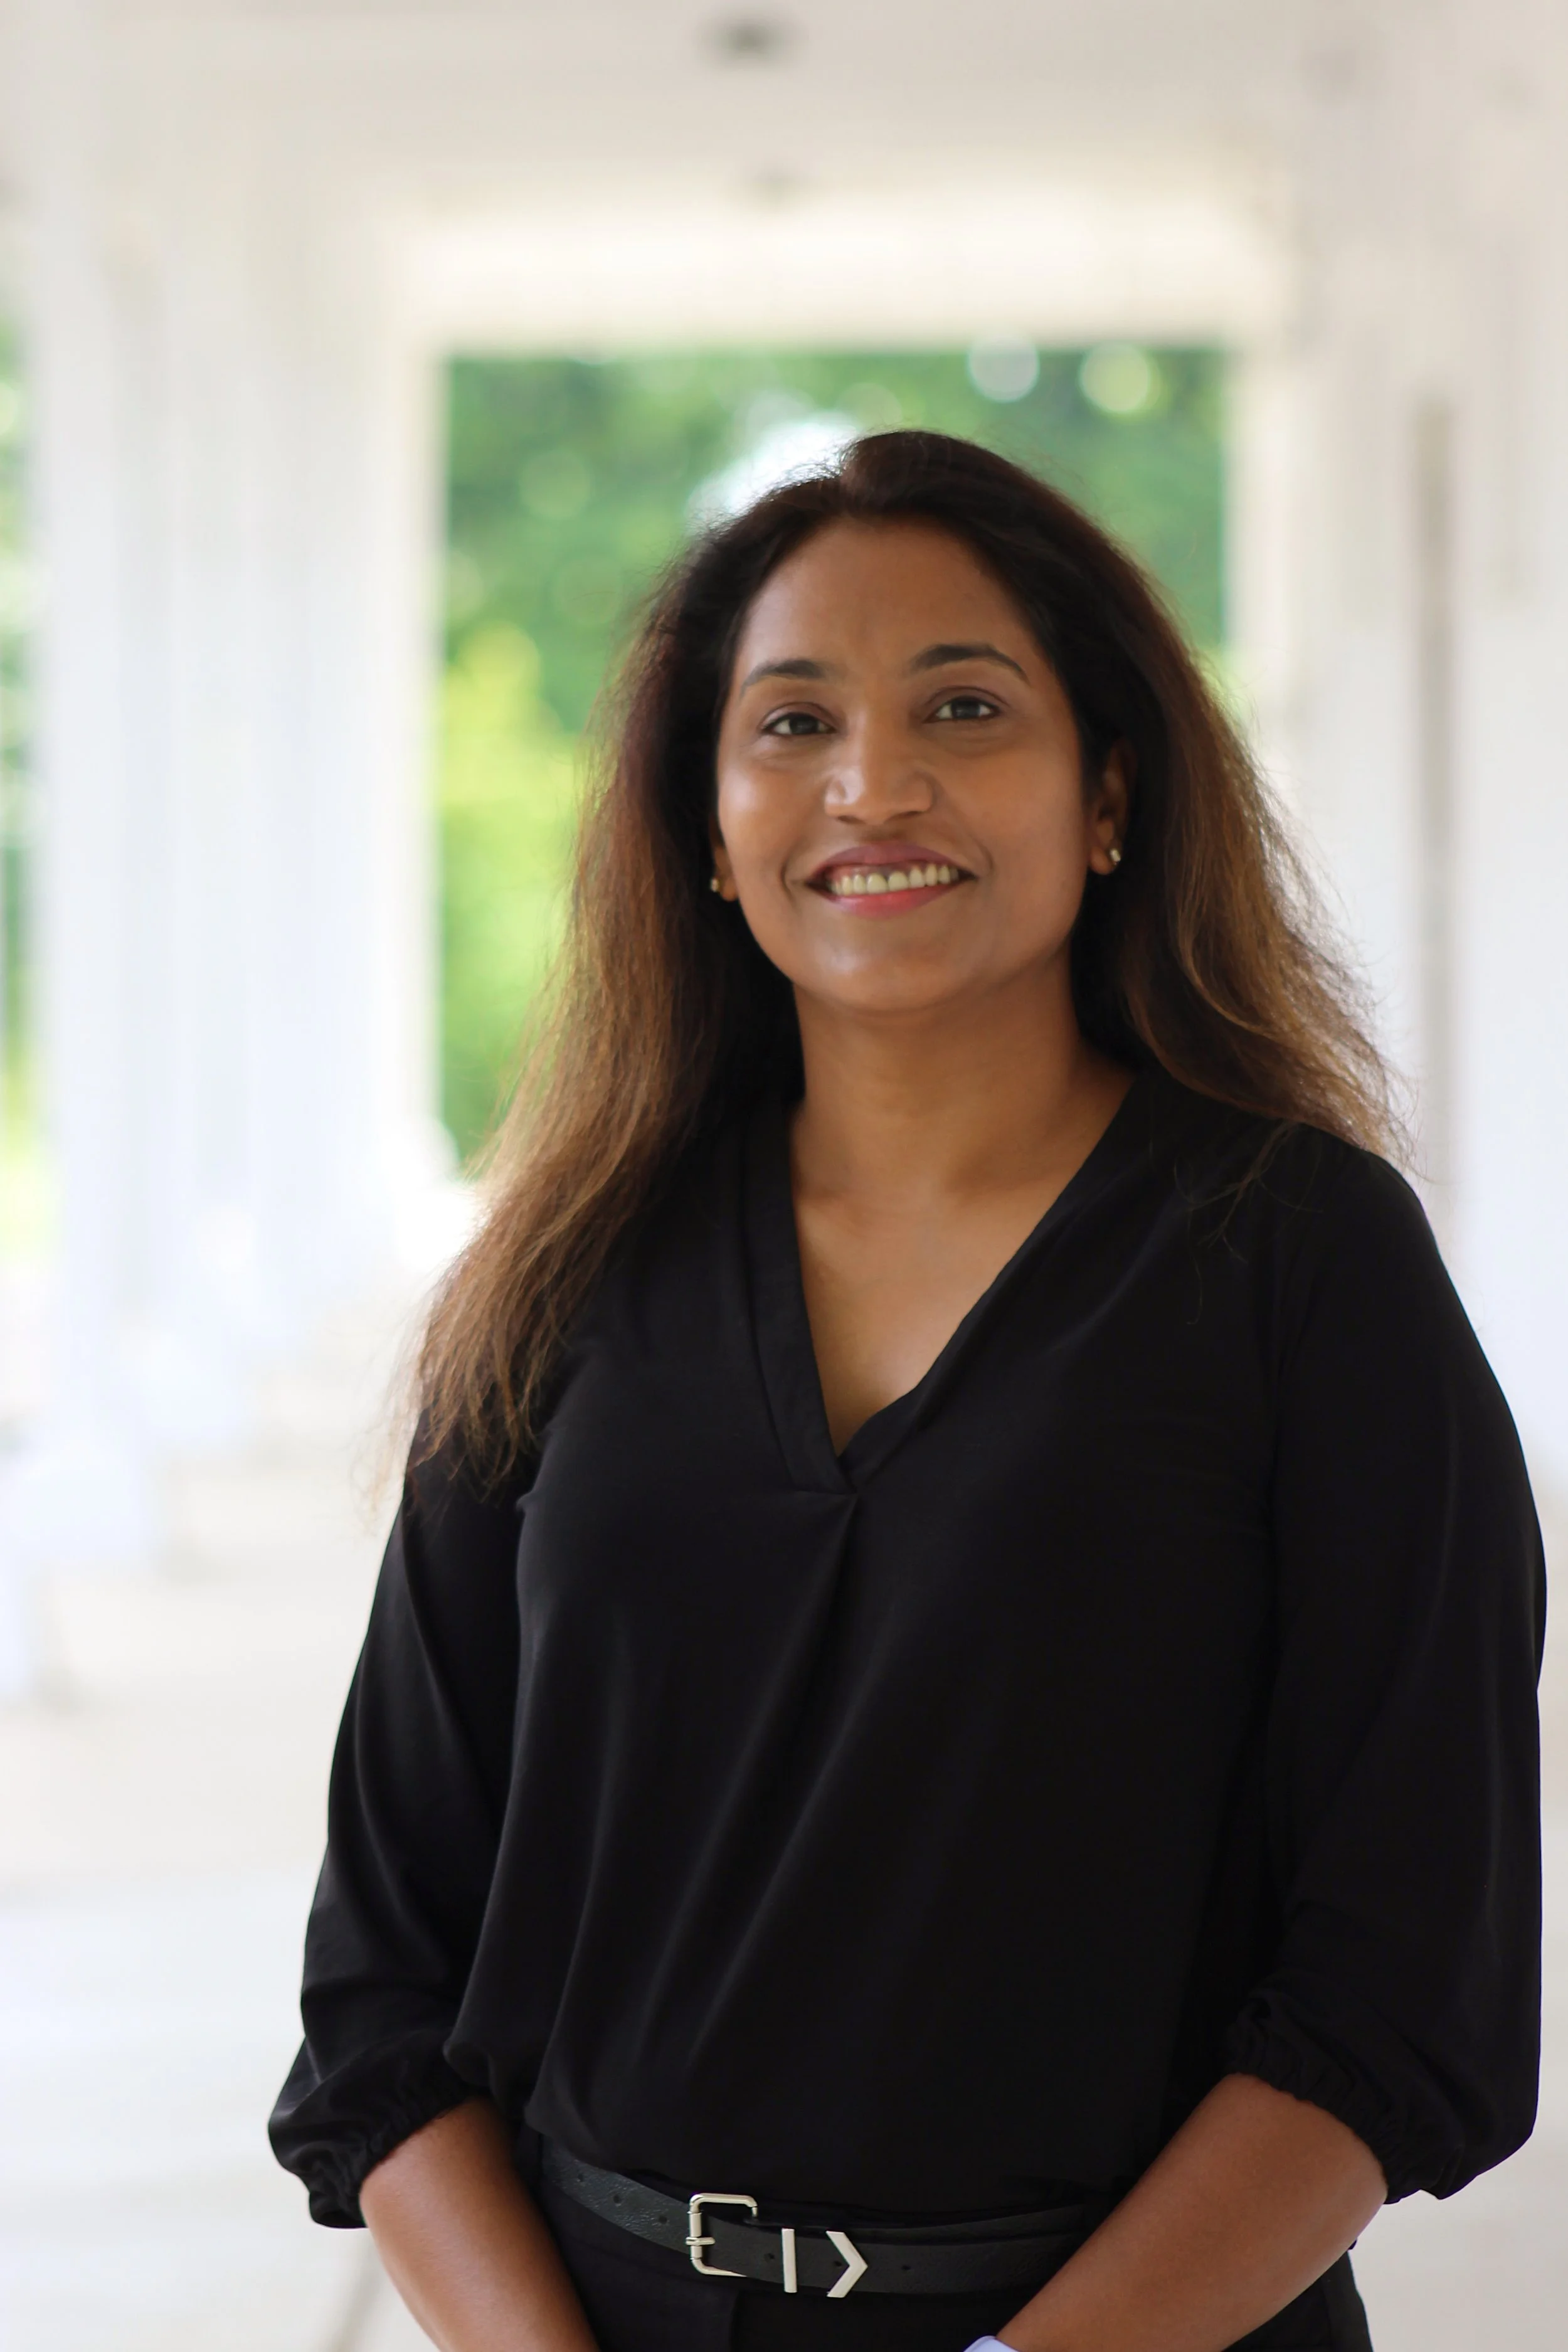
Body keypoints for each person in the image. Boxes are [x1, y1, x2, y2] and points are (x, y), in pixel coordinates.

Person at [270, 431, 1543, 2352]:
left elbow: (1403, 1989)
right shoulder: (564, 1274)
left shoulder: (1299, 1260)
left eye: (963, 702)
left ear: (1109, 790)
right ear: (705, 827)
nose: (874, 780)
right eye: (790, 722)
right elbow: (383, 1991)